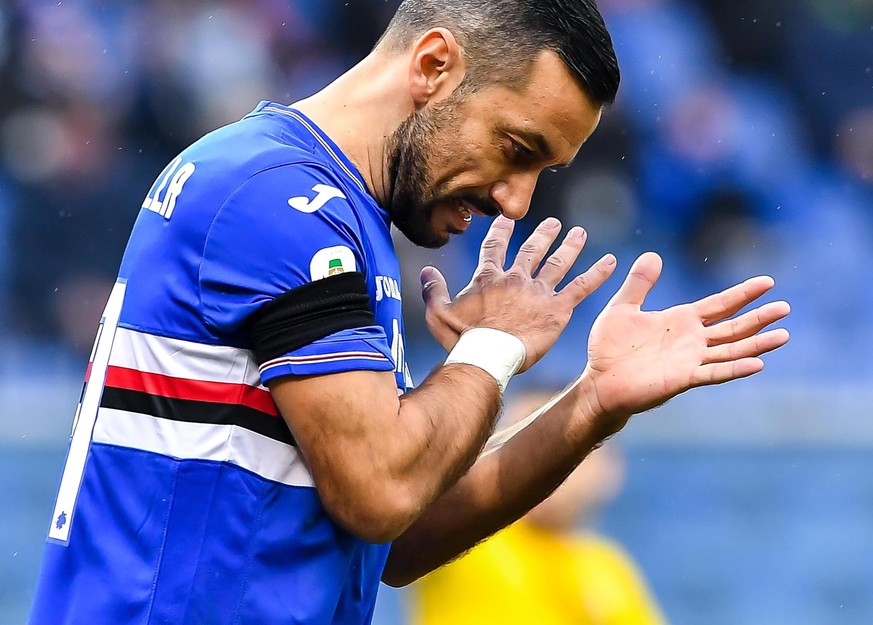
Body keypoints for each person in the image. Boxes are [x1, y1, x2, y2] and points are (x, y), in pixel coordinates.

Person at [29, 1, 790, 624]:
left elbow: (396, 534)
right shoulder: (281, 202)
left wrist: (590, 400)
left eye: (541, 170)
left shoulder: (328, 213)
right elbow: (382, 491)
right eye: (515, 147)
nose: (515, 200)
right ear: (433, 65)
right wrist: (488, 351)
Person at [409, 391, 668, 625]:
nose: (537, 463)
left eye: (567, 446)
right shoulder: (459, 534)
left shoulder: (607, 567)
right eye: (520, 444)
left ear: (608, 470)